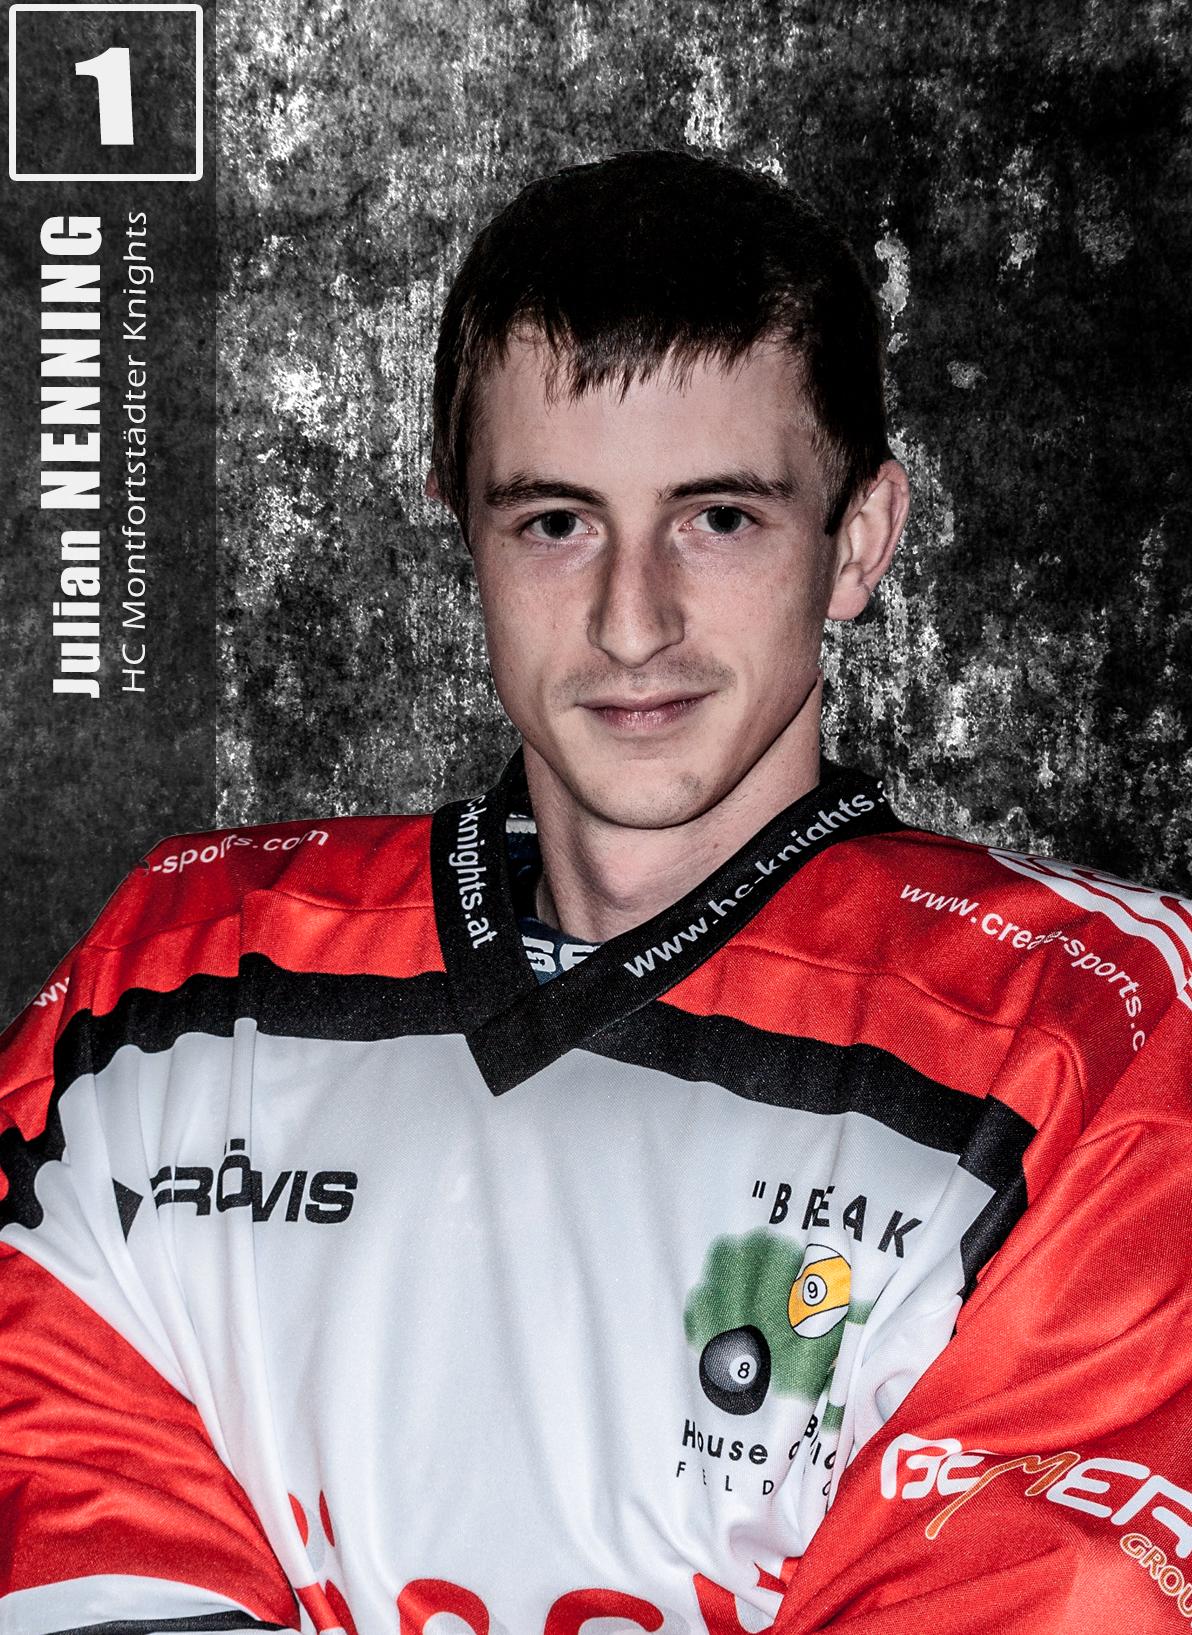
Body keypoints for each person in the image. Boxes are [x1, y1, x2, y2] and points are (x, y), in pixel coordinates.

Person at [1, 148, 1189, 1635]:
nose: (634, 623)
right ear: (466, 534)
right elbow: (58, 1512)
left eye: (720, 518)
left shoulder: (1099, 1035)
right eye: (556, 522)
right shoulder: (174, 983)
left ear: (858, 541)